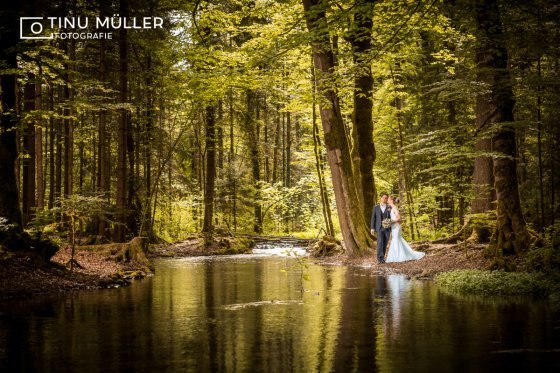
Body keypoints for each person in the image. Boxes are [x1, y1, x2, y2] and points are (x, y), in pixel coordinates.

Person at [385, 195, 425, 263]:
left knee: (396, 239)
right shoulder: (391, 208)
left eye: (388, 199)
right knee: (396, 239)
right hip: (394, 226)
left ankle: (399, 257)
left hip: (396, 226)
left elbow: (399, 218)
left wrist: (391, 222)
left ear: (391, 200)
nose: (387, 200)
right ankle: (397, 256)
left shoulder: (394, 208)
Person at [370, 193, 391, 264]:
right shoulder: (376, 207)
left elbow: (392, 216)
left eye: (386, 198)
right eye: (383, 198)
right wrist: (372, 228)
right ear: (381, 198)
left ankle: (383, 258)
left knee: (385, 243)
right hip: (379, 228)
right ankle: (379, 259)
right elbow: (373, 218)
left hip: (387, 228)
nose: (385, 199)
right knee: (380, 243)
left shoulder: (389, 207)